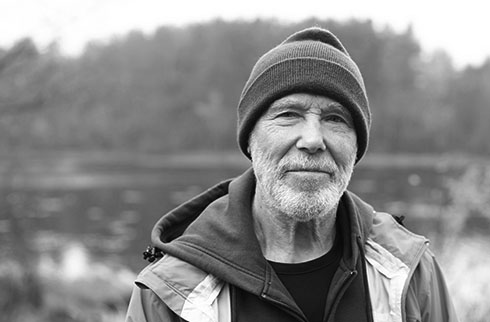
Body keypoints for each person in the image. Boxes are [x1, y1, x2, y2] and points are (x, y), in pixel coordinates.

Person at [125, 26, 457, 322]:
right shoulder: (168, 293)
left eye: (335, 119)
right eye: (288, 114)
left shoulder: (411, 273)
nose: (313, 140)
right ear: (251, 140)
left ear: (357, 147)